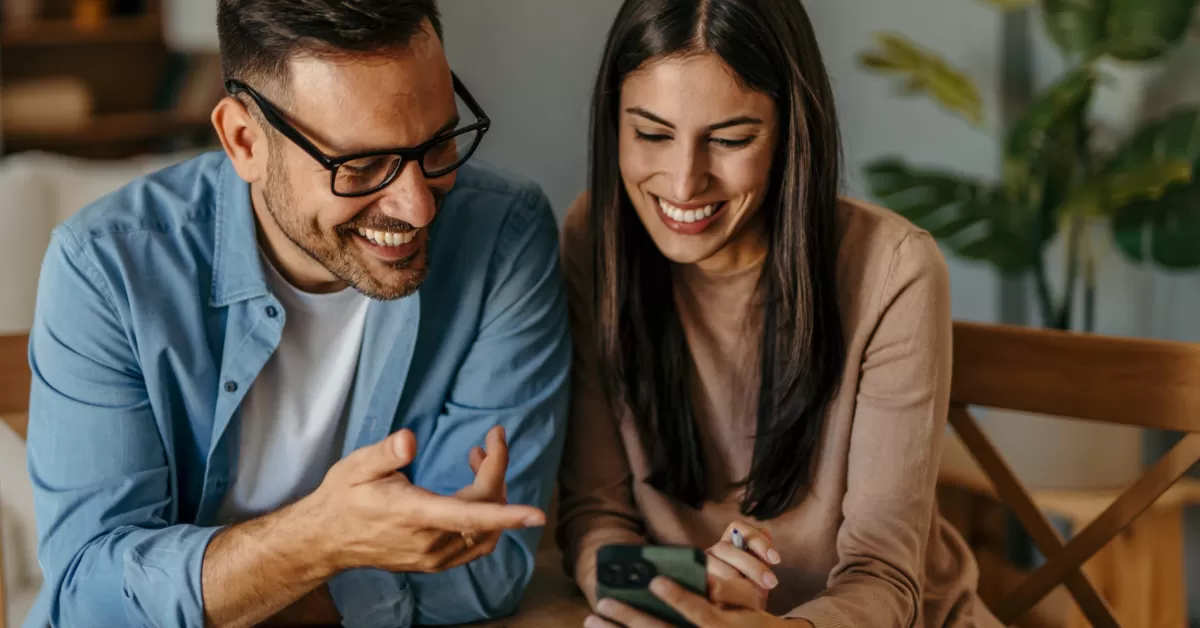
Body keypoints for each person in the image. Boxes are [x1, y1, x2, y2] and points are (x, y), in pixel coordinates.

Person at [23, 2, 570, 627]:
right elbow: (88, 597)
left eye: (439, 143)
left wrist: (227, 591)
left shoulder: (505, 235)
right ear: (244, 141)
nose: (418, 207)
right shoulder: (107, 268)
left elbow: (480, 570)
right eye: (361, 165)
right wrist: (317, 542)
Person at [555, 0, 1004, 626]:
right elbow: (595, 523)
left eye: (731, 139)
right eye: (651, 133)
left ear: (793, 132)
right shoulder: (594, 240)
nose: (683, 185)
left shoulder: (895, 270)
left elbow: (886, 577)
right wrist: (687, 591)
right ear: (614, 125)